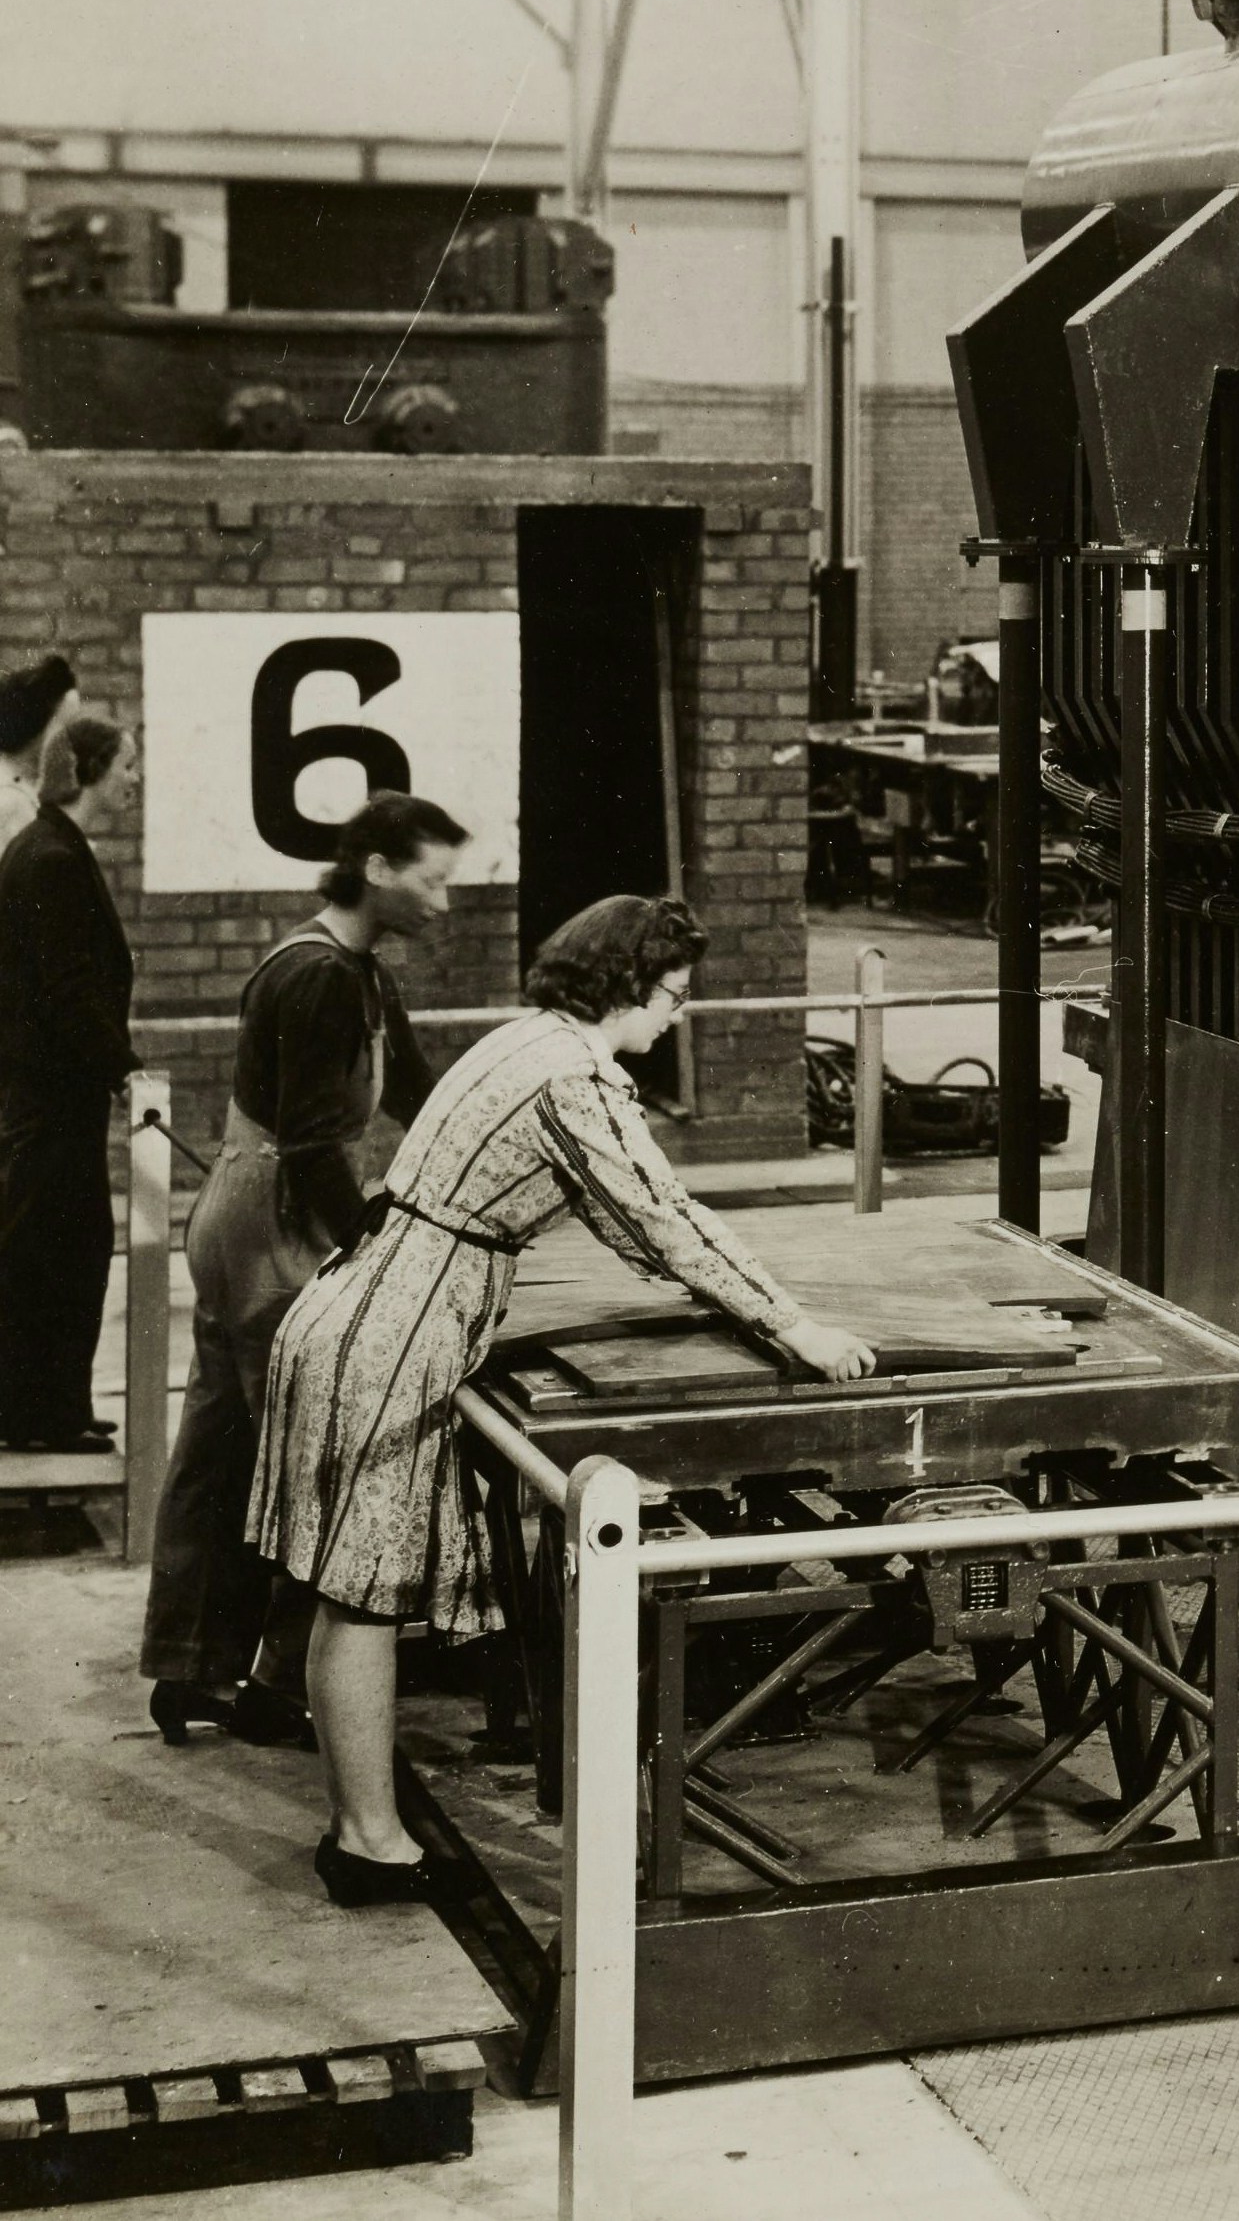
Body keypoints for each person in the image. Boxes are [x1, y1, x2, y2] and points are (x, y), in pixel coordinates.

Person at [249, 895, 875, 1905]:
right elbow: (661, 1220)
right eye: (671, 996)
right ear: (623, 985)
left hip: (361, 1302)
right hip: (393, 1330)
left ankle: (361, 1826)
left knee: (345, 1591)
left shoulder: (522, 1039)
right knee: (362, 1594)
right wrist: (791, 1325)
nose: (675, 1016)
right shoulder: (574, 1076)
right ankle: (368, 1842)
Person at [138, 792, 470, 1750]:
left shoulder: (356, 970)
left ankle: (188, 1667)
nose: (443, 905)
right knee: (311, 1459)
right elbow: (319, 1147)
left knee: (222, 1449)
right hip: (273, 1225)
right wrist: (377, 1252)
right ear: (375, 867)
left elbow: (419, 1089)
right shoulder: (320, 977)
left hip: (248, 1217)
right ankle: (283, 1682)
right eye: (432, 880)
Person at [0, 719, 139, 1452]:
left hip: (60, 1102)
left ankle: (58, 1406)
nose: (133, 779)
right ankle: (35, 1417)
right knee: (48, 1257)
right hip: (53, 1101)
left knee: (72, 1250)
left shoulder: (55, 847)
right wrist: (124, 1065)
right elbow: (66, 987)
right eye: (126, 765)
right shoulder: (50, 856)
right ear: (86, 769)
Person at [0, 653, 83, 844]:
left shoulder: (26, 791)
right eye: (68, 728)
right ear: (35, 724)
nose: (74, 741)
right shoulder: (12, 802)